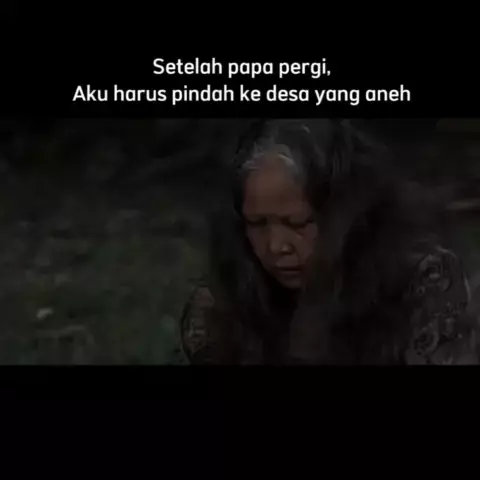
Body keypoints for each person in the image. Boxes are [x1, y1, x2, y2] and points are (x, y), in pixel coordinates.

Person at [180, 118, 479, 365]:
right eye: (257, 224)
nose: (276, 246)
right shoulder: (221, 308)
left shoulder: (422, 281)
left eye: (297, 223)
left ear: (345, 215)